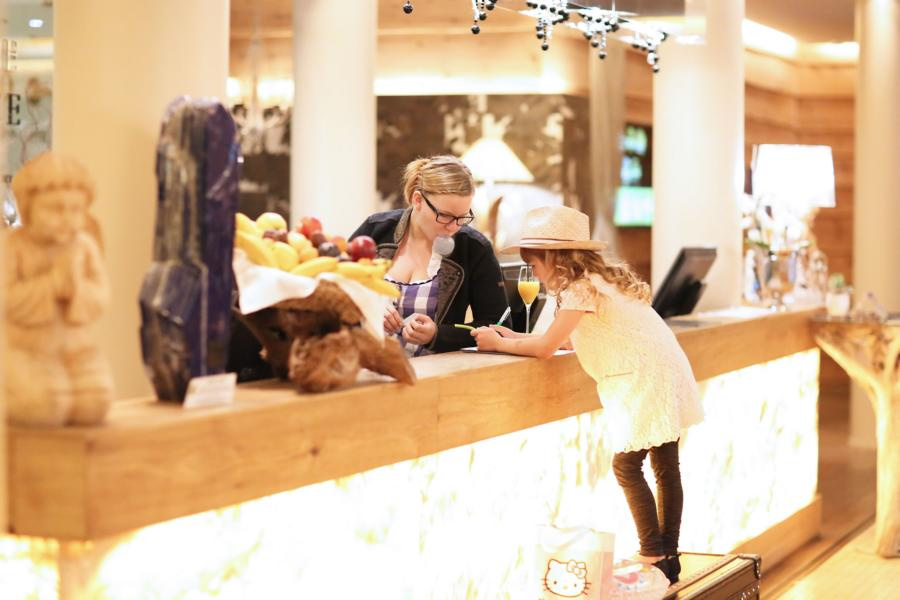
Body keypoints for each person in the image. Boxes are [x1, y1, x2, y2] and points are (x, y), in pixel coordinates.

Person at [470, 205, 703, 585]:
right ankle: (668, 556)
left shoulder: (578, 289)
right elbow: (563, 341)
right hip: (663, 370)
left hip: (642, 378)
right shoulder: (597, 279)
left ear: (554, 258)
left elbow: (547, 348)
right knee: (665, 466)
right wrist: (512, 337)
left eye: (534, 264)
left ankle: (653, 552)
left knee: (626, 466)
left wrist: (497, 344)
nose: (533, 273)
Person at [351, 155, 508, 355]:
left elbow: (499, 326)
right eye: (445, 215)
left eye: (462, 217)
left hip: (435, 371)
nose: (453, 227)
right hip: (363, 365)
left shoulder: (474, 248)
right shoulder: (376, 229)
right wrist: (368, 307)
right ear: (418, 200)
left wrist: (438, 335)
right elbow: (329, 290)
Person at [2, 152, 114, 426]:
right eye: (55, 209)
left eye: (76, 210)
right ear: (28, 208)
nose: (66, 218)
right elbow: (6, 298)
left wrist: (76, 289)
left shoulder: (84, 246)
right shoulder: (12, 247)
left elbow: (101, 295)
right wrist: (52, 284)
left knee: (94, 401)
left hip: (76, 347)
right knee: (46, 406)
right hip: (25, 348)